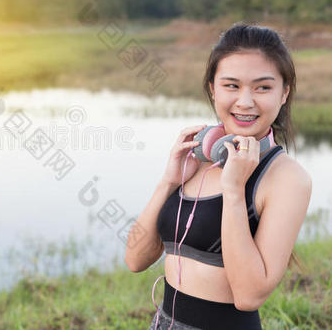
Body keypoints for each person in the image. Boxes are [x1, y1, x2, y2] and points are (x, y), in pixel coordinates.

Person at [124, 23, 312, 329]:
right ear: (213, 89)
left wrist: (235, 191)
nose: (245, 101)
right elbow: (135, 260)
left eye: (262, 87)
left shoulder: (288, 179)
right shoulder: (199, 157)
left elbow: (249, 296)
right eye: (231, 86)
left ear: (284, 93)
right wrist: (168, 182)